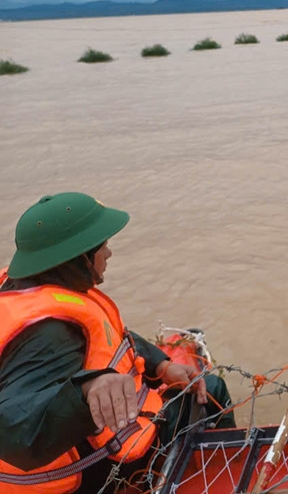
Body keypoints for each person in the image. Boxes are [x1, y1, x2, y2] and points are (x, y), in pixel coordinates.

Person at [0, 192, 235, 492]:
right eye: (103, 246)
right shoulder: (48, 337)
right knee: (212, 389)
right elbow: (13, 424)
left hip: (88, 444)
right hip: (95, 470)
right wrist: (85, 389)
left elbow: (113, 335)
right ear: (78, 258)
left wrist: (161, 366)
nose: (108, 254)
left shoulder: (28, 289)